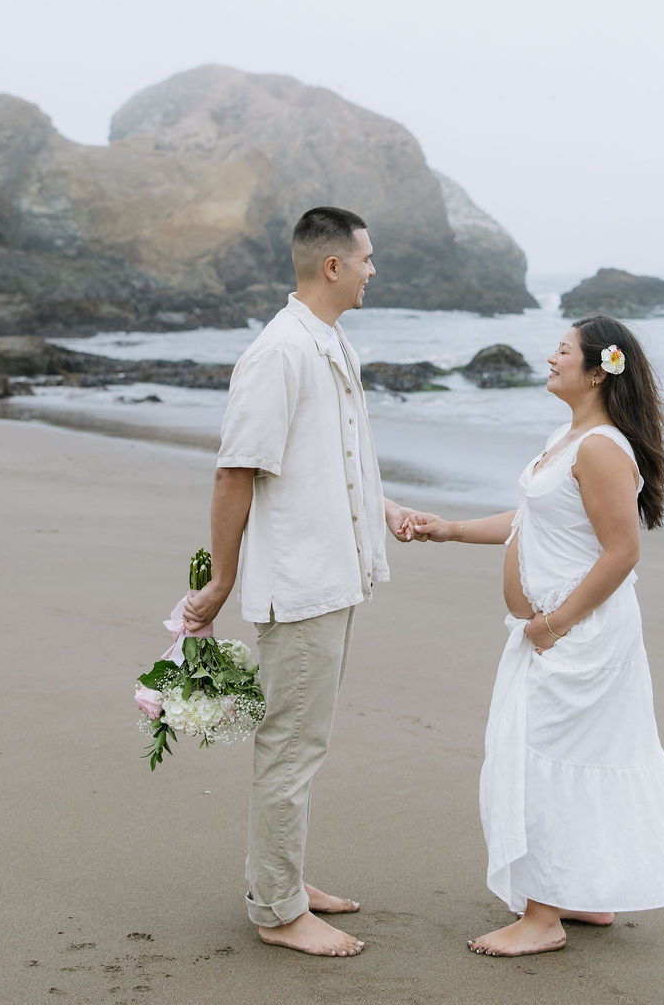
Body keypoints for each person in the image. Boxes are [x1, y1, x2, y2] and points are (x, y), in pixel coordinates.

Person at [408, 315, 664, 957]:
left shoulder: (601, 448)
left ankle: (542, 918)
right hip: (558, 632)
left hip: (578, 636)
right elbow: (531, 519)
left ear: (598, 370)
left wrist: (553, 624)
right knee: (571, 755)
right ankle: (584, 894)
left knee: (545, 760)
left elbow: (622, 552)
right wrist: (448, 530)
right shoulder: (568, 438)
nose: (550, 357)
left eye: (563, 350)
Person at [183, 206, 420, 959]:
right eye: (367, 258)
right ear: (332, 267)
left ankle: (283, 877)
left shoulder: (330, 341)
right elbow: (234, 471)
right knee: (289, 745)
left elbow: (334, 455)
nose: (373, 270)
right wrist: (220, 581)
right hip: (302, 583)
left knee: (304, 742)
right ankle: (278, 909)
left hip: (338, 575)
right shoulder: (280, 352)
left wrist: (382, 507)